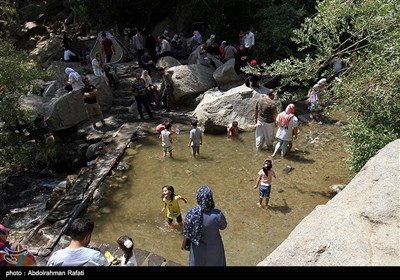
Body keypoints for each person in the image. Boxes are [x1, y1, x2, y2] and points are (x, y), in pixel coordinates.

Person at [182, 185, 227, 266]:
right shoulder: (217, 215)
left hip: (197, 248)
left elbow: (186, 231)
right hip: (214, 247)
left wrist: (183, 245)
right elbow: (223, 226)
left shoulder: (191, 214)